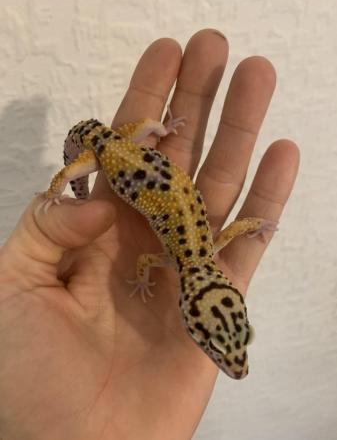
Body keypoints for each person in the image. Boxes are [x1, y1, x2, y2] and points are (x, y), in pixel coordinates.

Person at [0, 29, 299, 440]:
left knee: (100, 169)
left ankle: (149, 131)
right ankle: (76, 175)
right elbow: (150, 259)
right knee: (74, 174)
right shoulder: (182, 258)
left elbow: (231, 230)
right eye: (218, 343)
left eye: (222, 342)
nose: (229, 359)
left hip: (134, 148)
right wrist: (61, 191)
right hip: (108, 153)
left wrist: (257, 226)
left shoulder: (207, 251)